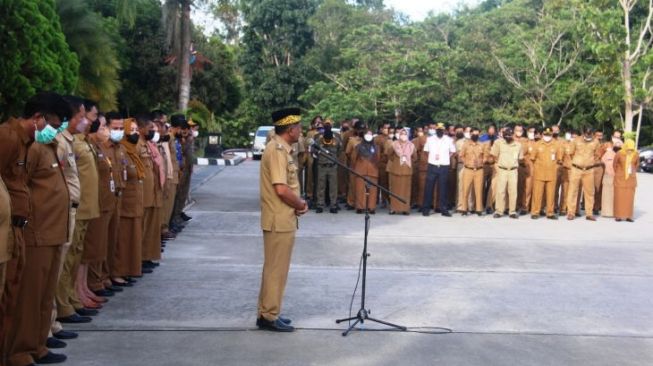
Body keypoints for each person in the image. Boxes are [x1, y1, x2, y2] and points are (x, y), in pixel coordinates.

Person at [0, 93, 70, 365]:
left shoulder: (29, 141)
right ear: (38, 117)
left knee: (42, 295)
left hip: (49, 230)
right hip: (32, 230)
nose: (54, 129)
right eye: (53, 122)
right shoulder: (9, 138)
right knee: (26, 297)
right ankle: (19, 351)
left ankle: (36, 345)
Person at [256, 108, 308, 332]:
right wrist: (300, 204)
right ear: (290, 129)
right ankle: (269, 315)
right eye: (299, 128)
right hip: (279, 219)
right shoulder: (277, 150)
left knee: (274, 268)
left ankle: (266, 311)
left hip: (281, 218)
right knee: (276, 269)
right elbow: (281, 189)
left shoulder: (282, 149)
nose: (301, 131)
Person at [114, 118, 146, 279]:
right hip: (126, 202)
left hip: (135, 202)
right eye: (131, 129)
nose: (135, 133)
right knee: (124, 239)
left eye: (136, 129)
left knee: (133, 237)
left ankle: (131, 269)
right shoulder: (122, 150)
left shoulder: (133, 150)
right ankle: (120, 271)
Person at [137, 115, 164, 272]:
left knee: (150, 228)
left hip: (153, 191)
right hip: (144, 194)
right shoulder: (138, 144)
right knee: (143, 227)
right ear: (141, 129)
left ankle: (146, 256)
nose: (152, 132)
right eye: (150, 129)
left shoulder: (148, 144)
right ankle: (139, 259)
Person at [566, 127, 601, 221]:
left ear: (592, 134)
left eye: (590, 134)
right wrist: (578, 162)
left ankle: (589, 213)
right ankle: (570, 212)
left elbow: (598, 154)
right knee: (573, 191)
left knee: (590, 192)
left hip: (589, 170)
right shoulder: (576, 140)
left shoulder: (596, 141)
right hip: (576, 169)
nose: (588, 136)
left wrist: (590, 162)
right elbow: (570, 153)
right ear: (583, 133)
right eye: (586, 134)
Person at [422, 123, 456, 217]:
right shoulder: (430, 139)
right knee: (429, 188)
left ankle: (443, 209)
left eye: (441, 129)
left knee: (443, 188)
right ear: (436, 130)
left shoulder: (449, 140)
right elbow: (426, 151)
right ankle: (426, 209)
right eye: (438, 129)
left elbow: (453, 151)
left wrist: (446, 158)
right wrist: (432, 158)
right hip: (432, 165)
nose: (440, 131)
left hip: (444, 166)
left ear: (444, 130)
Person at [530, 128, 563, 219]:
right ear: (542, 134)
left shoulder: (557, 145)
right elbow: (532, 158)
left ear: (552, 134)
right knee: (537, 194)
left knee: (551, 194)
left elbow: (559, 159)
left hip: (552, 173)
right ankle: (535, 212)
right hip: (539, 173)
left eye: (549, 135)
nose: (547, 137)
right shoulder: (537, 144)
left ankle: (550, 213)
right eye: (545, 135)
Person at [490, 128, 523, 219]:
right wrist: (501, 164)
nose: (508, 137)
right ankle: (499, 211)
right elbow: (494, 155)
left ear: (513, 135)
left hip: (513, 170)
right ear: (503, 135)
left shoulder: (518, 145)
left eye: (509, 135)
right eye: (506, 135)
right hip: (502, 170)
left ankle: (512, 211)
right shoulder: (498, 143)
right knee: (500, 191)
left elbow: (520, 158)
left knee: (513, 192)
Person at [386, 127, 415, 215]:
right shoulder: (394, 144)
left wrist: (407, 161)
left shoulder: (411, 145)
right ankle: (393, 208)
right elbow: (389, 155)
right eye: (401, 134)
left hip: (407, 171)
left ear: (408, 135)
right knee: (394, 190)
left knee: (406, 191)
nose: (403, 136)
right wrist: (396, 161)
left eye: (405, 134)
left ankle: (405, 209)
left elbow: (415, 157)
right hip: (396, 170)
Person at [314, 122, 341, 214]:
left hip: (332, 167)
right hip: (322, 166)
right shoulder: (318, 140)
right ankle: (320, 205)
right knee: (321, 186)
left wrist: (333, 160)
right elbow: (314, 151)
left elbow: (339, 152)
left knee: (333, 187)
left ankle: (333, 205)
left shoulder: (336, 140)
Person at [352, 128, 380, 214]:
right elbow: (353, 158)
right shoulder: (358, 146)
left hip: (373, 171)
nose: (369, 136)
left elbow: (378, 158)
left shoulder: (376, 147)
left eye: (370, 134)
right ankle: (360, 207)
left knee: (372, 190)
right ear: (364, 136)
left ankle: (371, 207)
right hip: (360, 171)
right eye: (367, 134)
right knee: (360, 189)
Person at [460, 127, 486, 216]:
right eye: (474, 133)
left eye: (477, 133)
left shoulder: (482, 145)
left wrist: (481, 162)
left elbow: (485, 156)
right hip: (468, 169)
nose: (475, 135)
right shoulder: (466, 144)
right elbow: (461, 155)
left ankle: (479, 209)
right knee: (466, 189)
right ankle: (464, 209)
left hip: (479, 170)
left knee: (478, 190)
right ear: (470, 134)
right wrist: (466, 162)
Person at [613, 139, 639, 222]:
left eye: (631, 149)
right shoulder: (619, 153)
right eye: (628, 148)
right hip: (620, 179)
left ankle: (629, 216)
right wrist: (619, 173)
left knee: (629, 199)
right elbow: (614, 164)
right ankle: (618, 216)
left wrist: (632, 172)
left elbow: (637, 165)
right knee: (619, 197)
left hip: (630, 180)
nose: (630, 150)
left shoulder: (636, 154)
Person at [600, 139, 621, 218]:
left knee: (608, 194)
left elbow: (605, 163)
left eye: (607, 145)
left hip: (610, 175)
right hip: (609, 175)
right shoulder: (612, 154)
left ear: (611, 145)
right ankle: (608, 212)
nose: (606, 146)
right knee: (608, 194)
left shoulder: (611, 154)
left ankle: (607, 212)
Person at [374, 123, 391, 208]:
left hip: (390, 163)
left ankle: (386, 200)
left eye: (388, 128)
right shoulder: (377, 139)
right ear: (381, 129)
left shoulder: (391, 138)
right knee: (379, 182)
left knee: (386, 183)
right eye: (385, 128)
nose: (386, 130)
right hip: (381, 163)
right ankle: (377, 200)